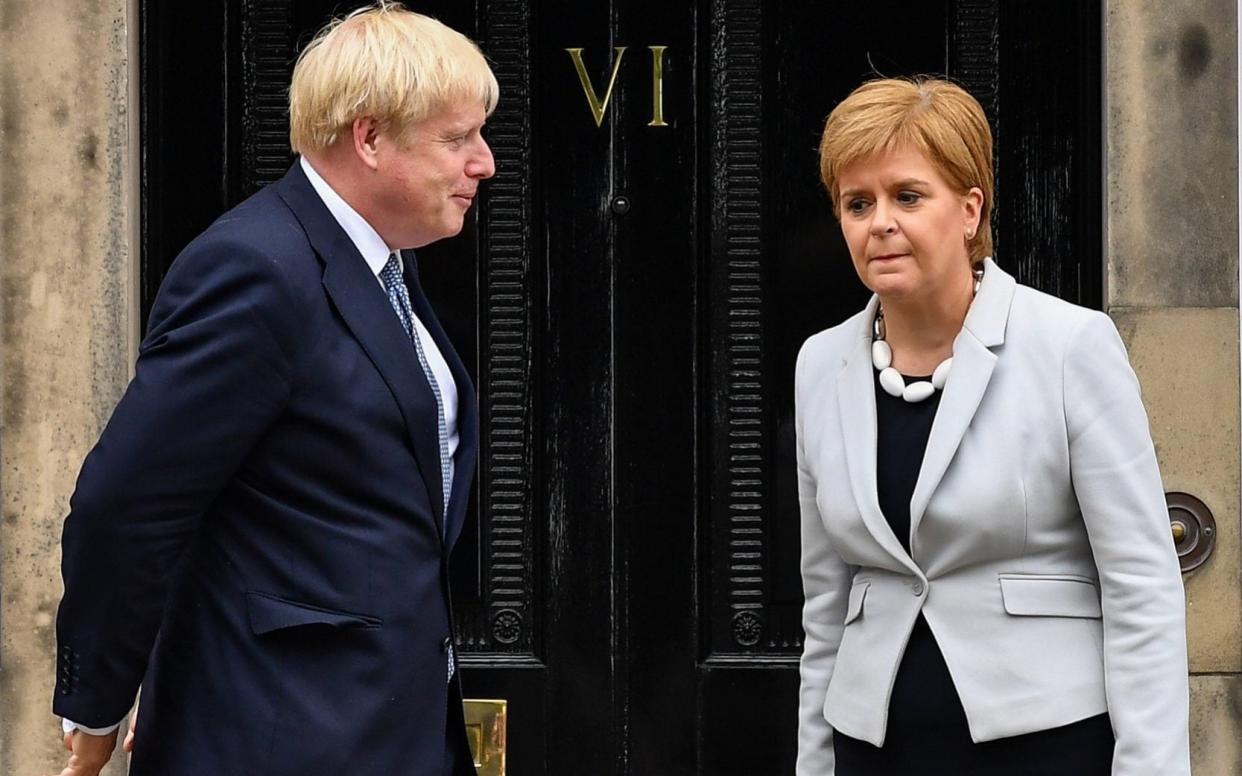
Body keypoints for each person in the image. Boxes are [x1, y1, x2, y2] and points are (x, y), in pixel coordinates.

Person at [52, 4, 495, 774]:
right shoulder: (256, 271)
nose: (484, 161)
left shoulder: (384, 262)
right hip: (282, 739)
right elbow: (127, 503)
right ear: (370, 137)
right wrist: (99, 704)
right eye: (458, 139)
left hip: (389, 730)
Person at [794, 77, 1189, 775]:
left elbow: (1140, 585)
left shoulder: (1070, 345)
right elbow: (827, 603)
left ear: (970, 210)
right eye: (858, 203)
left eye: (907, 196)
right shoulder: (820, 364)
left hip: (1046, 747)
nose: (879, 221)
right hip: (873, 751)